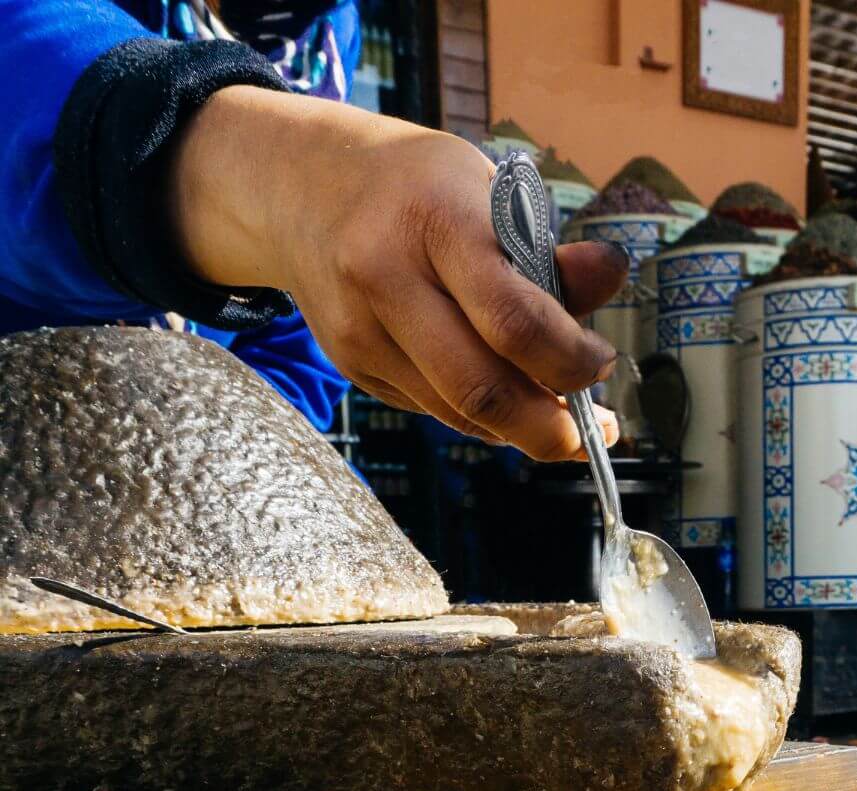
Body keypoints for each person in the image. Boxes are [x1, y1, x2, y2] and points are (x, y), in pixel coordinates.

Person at [1, 0, 628, 454]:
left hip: (199, 473)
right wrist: (289, 174)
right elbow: (28, 76)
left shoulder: (328, 28)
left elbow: (291, 319)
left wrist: (250, 457)